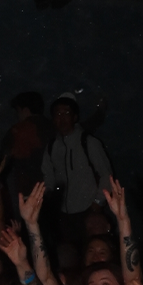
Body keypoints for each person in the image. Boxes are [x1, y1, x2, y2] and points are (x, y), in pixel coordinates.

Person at [41, 92, 112, 258]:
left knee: (93, 254)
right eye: (58, 114)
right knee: (68, 257)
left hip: (88, 211)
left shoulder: (88, 142)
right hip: (62, 216)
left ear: (75, 117)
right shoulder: (51, 146)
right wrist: (48, 202)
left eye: (66, 113)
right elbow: (48, 177)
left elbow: (106, 175)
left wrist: (97, 203)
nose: (62, 118)